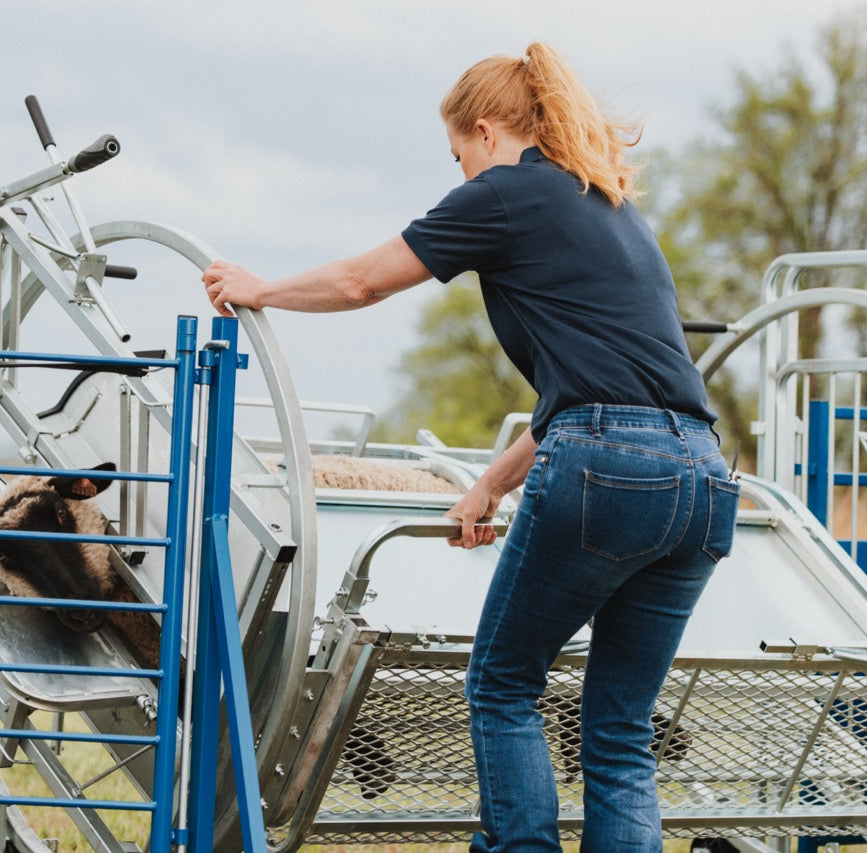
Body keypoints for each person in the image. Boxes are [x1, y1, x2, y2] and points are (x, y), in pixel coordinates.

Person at [202, 41, 740, 853]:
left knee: (502, 683)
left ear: (486, 132)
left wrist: (261, 288)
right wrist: (491, 482)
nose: (460, 176)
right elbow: (612, 397)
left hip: (611, 469)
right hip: (702, 476)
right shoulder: (612, 208)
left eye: (458, 156)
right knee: (620, 728)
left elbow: (362, 281)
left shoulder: (506, 192)